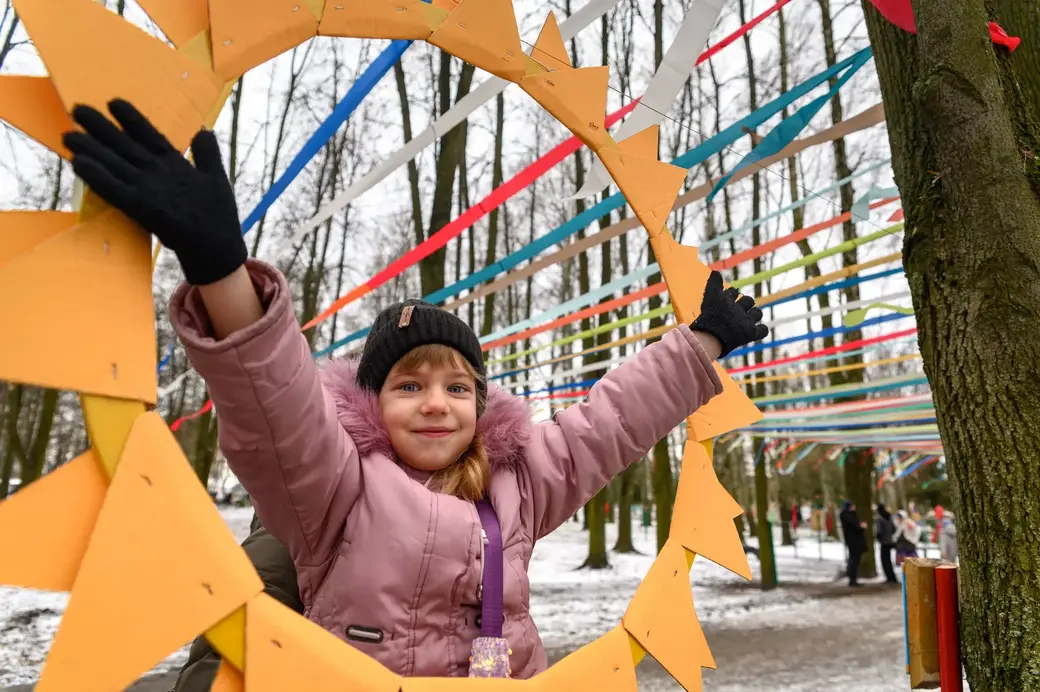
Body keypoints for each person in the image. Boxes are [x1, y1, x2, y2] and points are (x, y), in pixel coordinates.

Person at [62, 100, 769, 681]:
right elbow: (277, 407)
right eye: (409, 385)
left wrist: (700, 343)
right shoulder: (336, 486)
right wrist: (221, 272)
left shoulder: (518, 481)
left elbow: (610, 422)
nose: (437, 403)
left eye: (458, 387)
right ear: (371, 403)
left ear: (480, 403)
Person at [839, 501, 867, 587]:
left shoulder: (848, 516)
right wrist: (862, 527)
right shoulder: (849, 516)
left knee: (854, 559)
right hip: (854, 541)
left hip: (853, 540)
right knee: (854, 559)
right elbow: (855, 527)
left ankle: (853, 578)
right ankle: (852, 579)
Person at [875, 503, 898, 584]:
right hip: (890, 541)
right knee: (889, 560)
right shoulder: (889, 517)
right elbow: (894, 529)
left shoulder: (879, 519)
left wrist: (879, 538)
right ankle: (892, 577)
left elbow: (879, 531)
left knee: (884, 560)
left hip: (884, 542)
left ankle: (889, 577)